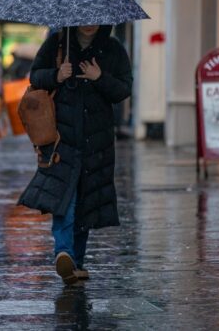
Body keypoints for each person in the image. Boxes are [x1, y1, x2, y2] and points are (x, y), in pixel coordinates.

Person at [17, 25, 132, 284]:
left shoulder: (112, 49)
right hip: (61, 137)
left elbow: (124, 89)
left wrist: (98, 77)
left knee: (87, 200)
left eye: (94, 19)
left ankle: (76, 262)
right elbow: (35, 77)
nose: (89, 24)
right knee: (65, 196)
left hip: (97, 140)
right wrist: (57, 75)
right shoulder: (57, 43)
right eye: (84, 19)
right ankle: (64, 252)